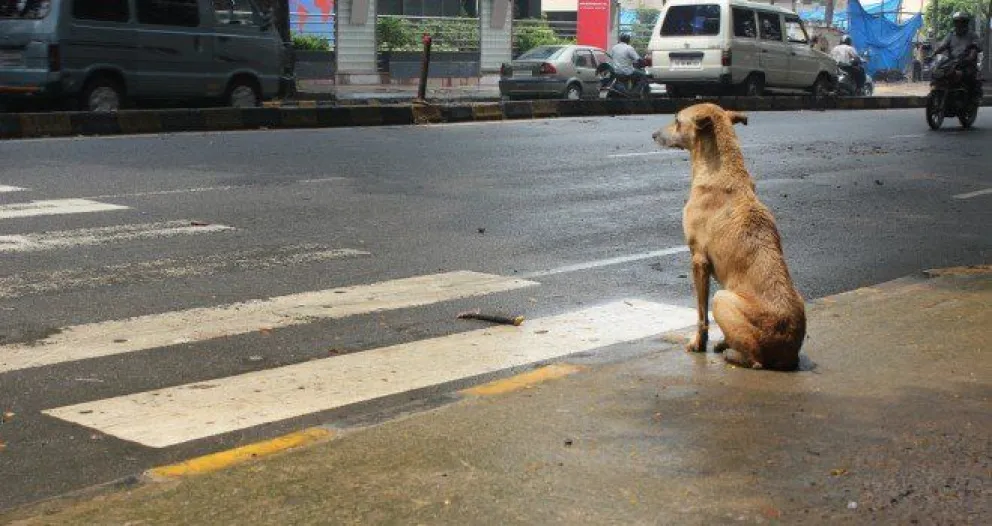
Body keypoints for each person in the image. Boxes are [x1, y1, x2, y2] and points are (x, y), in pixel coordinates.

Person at [932, 11, 982, 103]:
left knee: (968, 77)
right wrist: (934, 53)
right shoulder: (951, 35)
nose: (959, 24)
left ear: (966, 23)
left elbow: (975, 48)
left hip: (967, 64)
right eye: (957, 22)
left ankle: (972, 99)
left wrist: (971, 56)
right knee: (939, 74)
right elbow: (943, 46)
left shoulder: (972, 35)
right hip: (952, 62)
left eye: (962, 22)